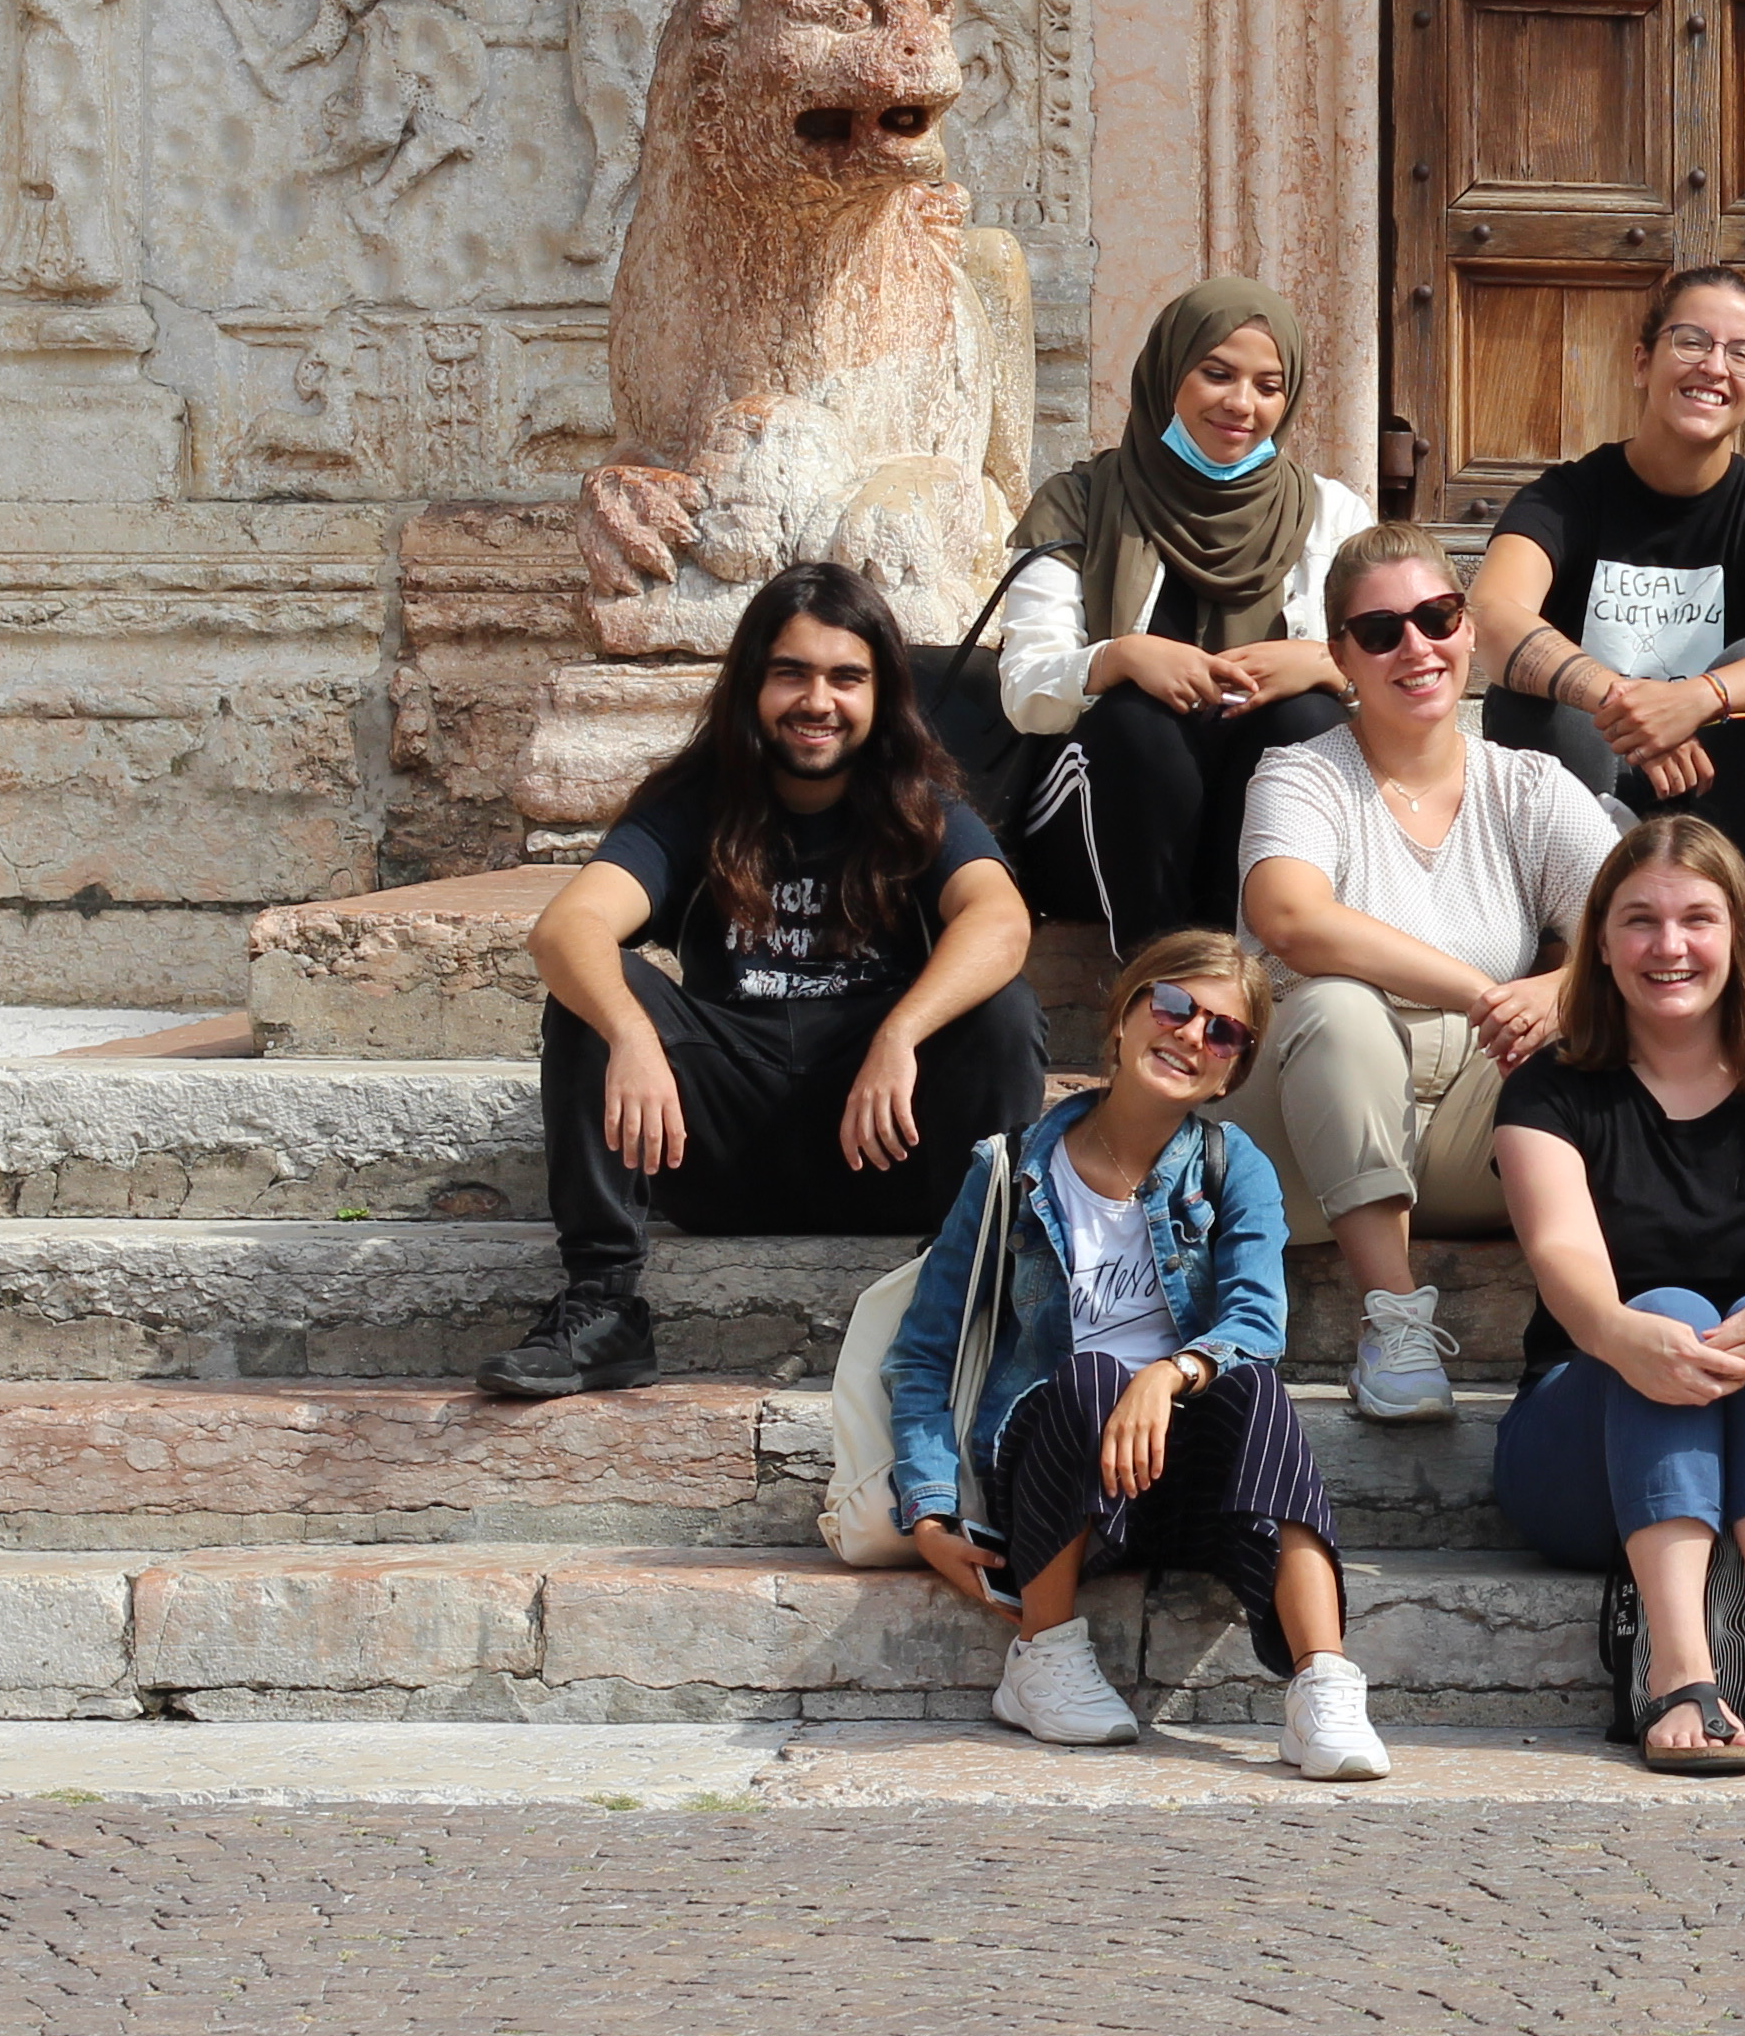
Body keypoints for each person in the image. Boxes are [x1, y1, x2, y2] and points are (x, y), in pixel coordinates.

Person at [478, 563, 1050, 1403]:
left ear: (880, 693)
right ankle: (602, 1306)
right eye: (792, 673)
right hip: (721, 1146)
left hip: (884, 1143)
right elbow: (567, 927)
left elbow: (1001, 922)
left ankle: (972, 1293)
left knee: (1002, 1008)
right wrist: (633, 1034)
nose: (818, 700)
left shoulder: (917, 807)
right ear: (752, 684)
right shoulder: (693, 806)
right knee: (596, 995)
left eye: (846, 677)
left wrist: (901, 1033)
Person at [886, 931, 1387, 1780]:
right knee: (1087, 1374)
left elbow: (1256, 1321)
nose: (1193, 1035)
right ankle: (1043, 1657)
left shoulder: (1235, 1167)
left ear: (1232, 1072)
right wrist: (928, 1510)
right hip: (1056, 1474)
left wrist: (1168, 1372)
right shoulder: (1011, 1170)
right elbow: (922, 1353)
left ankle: (1321, 1686)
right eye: (1174, 1006)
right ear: (1122, 1019)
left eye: (1223, 1033)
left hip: (1177, 1479)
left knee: (1256, 1389)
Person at [1486, 812, 1745, 1774]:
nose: (1670, 947)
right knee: (1667, 1312)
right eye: (1639, 921)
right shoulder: (1548, 1090)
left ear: (1741, 933)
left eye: (1697, 919)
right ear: (1602, 941)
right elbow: (1566, 1260)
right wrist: (1624, 1338)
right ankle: (1677, 1672)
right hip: (1587, 1444)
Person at [1224, 522, 1626, 1427]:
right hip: (1303, 1120)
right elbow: (1290, 918)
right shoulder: (1299, 776)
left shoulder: (1530, 785)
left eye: (1438, 617)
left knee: (1621, 1030)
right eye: (1380, 632)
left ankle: (1627, 1321)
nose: (1417, 647)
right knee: (1336, 1008)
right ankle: (1394, 1328)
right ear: (1341, 657)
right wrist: (1485, 993)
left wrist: (1560, 990)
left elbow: (1640, 924)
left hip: (1460, 1132)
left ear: (1471, 631)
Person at [989, 276, 1370, 946]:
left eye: (1268, 386)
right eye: (1216, 374)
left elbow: (1398, 683)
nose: (1241, 404)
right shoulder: (1078, 502)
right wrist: (1120, 658)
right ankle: (1155, 983)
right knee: (1141, 723)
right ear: (1169, 372)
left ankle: (1248, 979)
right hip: (1097, 818)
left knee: (1309, 718)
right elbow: (1026, 691)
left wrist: (1323, 663)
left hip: (1252, 826)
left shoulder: (1330, 515)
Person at [1467, 263, 1745, 893]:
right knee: (1528, 689)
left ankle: (1727, 923)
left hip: (1737, 819)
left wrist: (1697, 699)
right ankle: (1578, 926)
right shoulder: (1565, 499)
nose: (1714, 367)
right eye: (1691, 342)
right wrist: (1622, 701)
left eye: (1741, 354)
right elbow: (1490, 616)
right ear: (1640, 363)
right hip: (1589, 799)